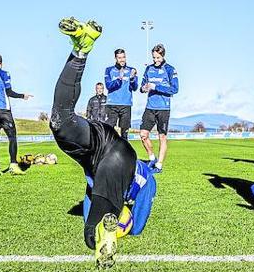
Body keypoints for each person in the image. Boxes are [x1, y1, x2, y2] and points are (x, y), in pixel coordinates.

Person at [50, 17, 156, 269]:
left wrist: (97, 220)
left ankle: (80, 50)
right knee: (99, 213)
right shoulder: (146, 179)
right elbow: (138, 226)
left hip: (98, 148)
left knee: (59, 120)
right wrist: (125, 225)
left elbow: (92, 193)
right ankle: (106, 232)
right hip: (116, 154)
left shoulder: (135, 180)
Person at [0, 54, 32, 176]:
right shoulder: (4, 74)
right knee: (12, 138)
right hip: (3, 110)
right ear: (1, 63)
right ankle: (13, 165)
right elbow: (9, 92)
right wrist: (22, 96)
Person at [139, 44, 179, 173]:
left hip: (163, 108)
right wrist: (144, 88)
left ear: (163, 55)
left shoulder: (170, 70)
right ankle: (152, 158)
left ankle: (159, 165)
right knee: (143, 135)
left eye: (158, 57)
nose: (155, 60)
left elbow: (174, 89)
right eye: (154, 57)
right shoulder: (149, 69)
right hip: (150, 107)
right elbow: (142, 86)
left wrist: (156, 87)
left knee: (162, 137)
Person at [104, 49, 138, 140]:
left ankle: (125, 153)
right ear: (115, 58)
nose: (122, 60)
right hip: (112, 104)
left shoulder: (132, 70)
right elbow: (108, 86)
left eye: (123, 57)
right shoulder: (109, 70)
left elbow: (135, 88)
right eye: (119, 58)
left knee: (124, 134)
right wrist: (119, 79)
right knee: (109, 131)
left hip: (126, 105)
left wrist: (132, 79)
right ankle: (107, 152)